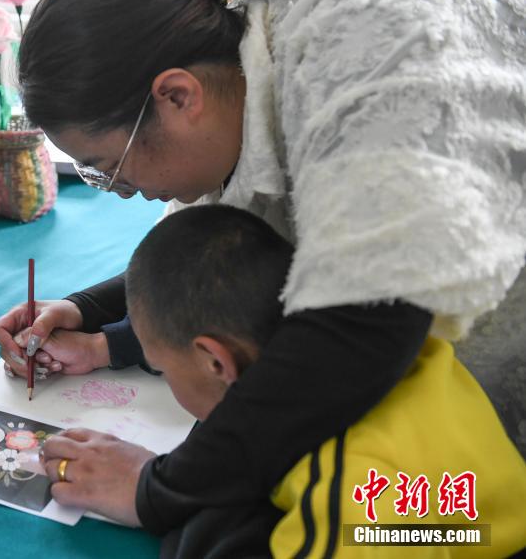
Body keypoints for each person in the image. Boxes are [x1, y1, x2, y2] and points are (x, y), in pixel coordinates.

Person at [0, 0, 526, 535]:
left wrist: (157, 488)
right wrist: (88, 314)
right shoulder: (242, 83)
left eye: (107, 168)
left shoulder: (366, 44)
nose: (116, 191)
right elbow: (222, 262)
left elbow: (364, 322)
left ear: (177, 97)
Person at [49, 204, 526, 557]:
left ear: (216, 362)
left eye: (163, 368)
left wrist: (188, 508)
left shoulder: (351, 482)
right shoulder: (394, 350)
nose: (166, 378)